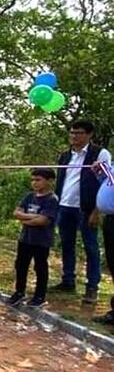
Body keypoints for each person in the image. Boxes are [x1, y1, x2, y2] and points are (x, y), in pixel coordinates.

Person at [52, 119, 111, 304]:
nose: (74, 136)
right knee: (67, 244)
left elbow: (107, 183)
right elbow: (61, 181)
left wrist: (96, 210)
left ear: (89, 134)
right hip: (65, 206)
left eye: (78, 133)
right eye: (72, 132)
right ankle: (68, 280)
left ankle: (92, 286)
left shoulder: (100, 154)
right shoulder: (64, 155)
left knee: (91, 246)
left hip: (86, 208)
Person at [9, 168, 59, 309]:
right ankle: (19, 292)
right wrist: (32, 217)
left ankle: (39, 296)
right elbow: (16, 212)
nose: (34, 183)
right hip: (25, 238)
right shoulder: (29, 196)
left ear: (50, 181)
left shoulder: (52, 200)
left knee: (40, 267)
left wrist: (25, 219)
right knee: (21, 265)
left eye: (38, 180)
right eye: (33, 180)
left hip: (41, 240)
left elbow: (43, 221)